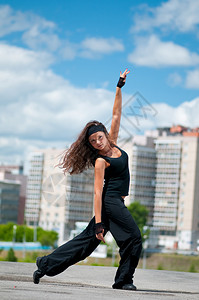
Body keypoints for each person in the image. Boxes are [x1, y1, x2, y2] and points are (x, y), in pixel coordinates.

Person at [33, 69, 142, 290]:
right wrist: (100, 222)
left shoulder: (114, 144)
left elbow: (116, 115)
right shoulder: (101, 161)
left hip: (115, 203)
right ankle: (123, 280)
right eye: (93, 141)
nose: (98, 142)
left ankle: (45, 265)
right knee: (134, 237)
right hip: (110, 202)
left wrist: (119, 87)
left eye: (99, 137)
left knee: (85, 243)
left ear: (105, 134)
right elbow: (97, 192)